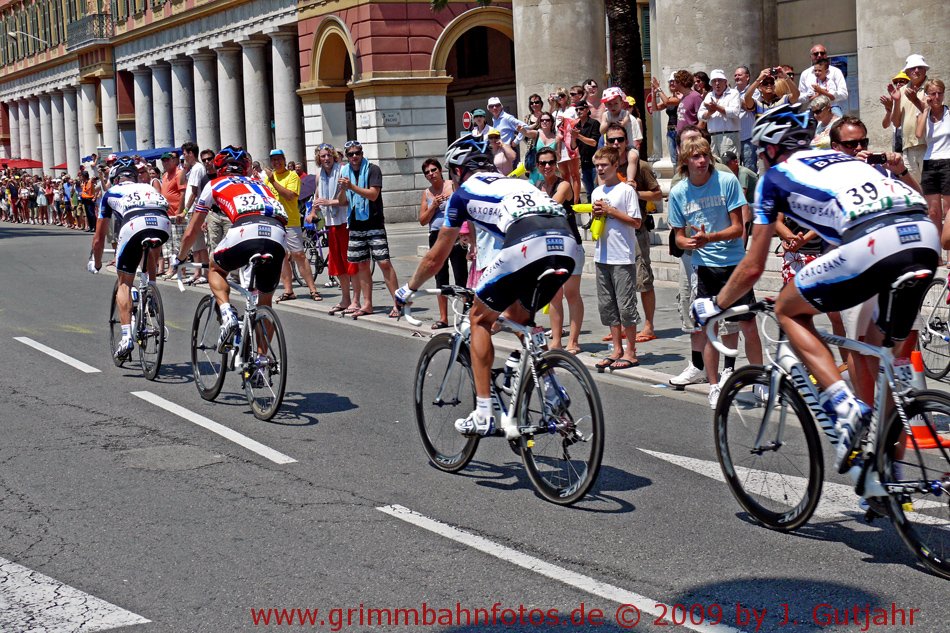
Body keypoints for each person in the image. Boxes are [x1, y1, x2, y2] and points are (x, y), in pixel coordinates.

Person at [693, 103, 939, 473]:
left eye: (761, 152)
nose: (760, 159)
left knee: (787, 309)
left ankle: (844, 404)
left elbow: (754, 266)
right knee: (876, 350)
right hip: (923, 238)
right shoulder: (849, 162)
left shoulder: (774, 177)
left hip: (874, 242)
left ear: (770, 149)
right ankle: (888, 473)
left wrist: (716, 304)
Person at [394, 135, 579, 438]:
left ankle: (483, 413)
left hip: (527, 246)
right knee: (520, 319)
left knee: (479, 319)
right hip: (566, 244)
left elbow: (436, 257)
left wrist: (408, 289)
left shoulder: (462, 193)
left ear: (455, 172)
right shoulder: (515, 182)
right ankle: (549, 388)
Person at [669, 136, 762, 408]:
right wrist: (689, 242)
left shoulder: (727, 181)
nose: (701, 161)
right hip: (703, 267)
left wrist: (710, 237)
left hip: (734, 264)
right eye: (695, 157)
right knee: (708, 327)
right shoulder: (678, 192)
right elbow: (678, 237)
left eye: (705, 155)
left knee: (748, 325)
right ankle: (713, 386)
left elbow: (738, 229)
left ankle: (758, 382)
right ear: (685, 161)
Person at [173, 146, 289, 351]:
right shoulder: (259, 182)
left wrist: (180, 258)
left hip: (246, 229)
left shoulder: (214, 183)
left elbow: (191, 231)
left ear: (219, 168)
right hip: (277, 233)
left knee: (216, 268)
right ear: (244, 169)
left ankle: (227, 314)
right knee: (265, 300)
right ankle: (261, 361)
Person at [86, 157, 172, 362]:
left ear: (115, 179)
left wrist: (96, 262)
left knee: (124, 281)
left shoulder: (110, 193)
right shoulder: (148, 186)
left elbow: (99, 238)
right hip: (162, 223)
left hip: (133, 224)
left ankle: (126, 337)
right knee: (152, 246)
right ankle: (150, 289)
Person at [589, 146, 641, 371]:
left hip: (622, 256)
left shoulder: (626, 190)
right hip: (602, 255)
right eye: (597, 165)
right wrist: (596, 214)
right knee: (608, 306)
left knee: (626, 305)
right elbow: (595, 224)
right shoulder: (596, 191)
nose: (600, 169)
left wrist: (610, 211)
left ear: (614, 166)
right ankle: (617, 348)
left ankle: (631, 350)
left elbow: (636, 221)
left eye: (604, 165)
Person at [339, 140, 401, 318]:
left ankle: (397, 303)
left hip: (374, 223)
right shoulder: (345, 172)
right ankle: (367, 304)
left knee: (384, 263)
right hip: (356, 224)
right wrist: (343, 189)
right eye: (350, 154)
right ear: (347, 156)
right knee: (362, 265)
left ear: (362, 153)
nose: (354, 157)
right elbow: (343, 201)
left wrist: (351, 186)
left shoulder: (373, 169)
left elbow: (373, 195)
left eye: (357, 152)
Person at [536, 147, 584, 353]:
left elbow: (550, 207)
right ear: (538, 166)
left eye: (550, 162)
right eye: (543, 163)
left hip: (570, 244)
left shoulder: (563, 185)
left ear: (556, 164)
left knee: (572, 293)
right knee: (554, 295)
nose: (547, 166)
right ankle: (556, 340)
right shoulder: (538, 186)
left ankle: (573, 341)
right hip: (550, 246)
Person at [307, 143, 359, 315]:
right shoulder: (318, 175)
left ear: (334, 157)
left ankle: (357, 300)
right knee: (337, 263)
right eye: (323, 156)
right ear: (319, 159)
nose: (326, 159)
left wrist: (329, 202)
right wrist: (314, 210)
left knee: (350, 262)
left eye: (329, 155)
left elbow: (350, 199)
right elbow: (317, 195)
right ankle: (346, 298)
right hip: (330, 223)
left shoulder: (343, 171)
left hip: (345, 221)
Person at [267, 148, 322, 302]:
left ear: (284, 160)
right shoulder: (269, 178)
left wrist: (272, 182)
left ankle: (312, 289)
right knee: (282, 256)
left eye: (279, 159)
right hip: (274, 222)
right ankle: (288, 290)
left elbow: (291, 196)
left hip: (290, 221)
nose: (276, 162)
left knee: (299, 254)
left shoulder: (291, 176)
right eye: (273, 160)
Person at [419, 158, 467, 329]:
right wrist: (433, 206)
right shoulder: (427, 193)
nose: (431, 174)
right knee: (440, 276)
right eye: (427, 172)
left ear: (440, 170)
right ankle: (443, 318)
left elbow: (464, 206)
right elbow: (422, 220)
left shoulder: (452, 185)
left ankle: (465, 316)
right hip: (436, 235)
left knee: (461, 274)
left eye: (433, 170)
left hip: (455, 234)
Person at [916, 79, 950, 242]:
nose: (936, 97)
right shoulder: (923, 114)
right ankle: (936, 252)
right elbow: (918, 134)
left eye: (939, 93)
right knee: (934, 211)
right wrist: (925, 109)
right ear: (927, 95)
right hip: (930, 163)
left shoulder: (949, 113)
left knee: (948, 209)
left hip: (948, 162)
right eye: (933, 93)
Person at [797, 44, 848, 114]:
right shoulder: (805, 74)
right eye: (816, 54)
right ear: (811, 57)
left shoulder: (836, 71)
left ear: (826, 55)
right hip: (813, 109)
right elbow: (800, 97)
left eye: (822, 53)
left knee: (838, 123)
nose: (819, 55)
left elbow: (844, 94)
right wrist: (809, 95)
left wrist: (826, 93)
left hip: (832, 108)